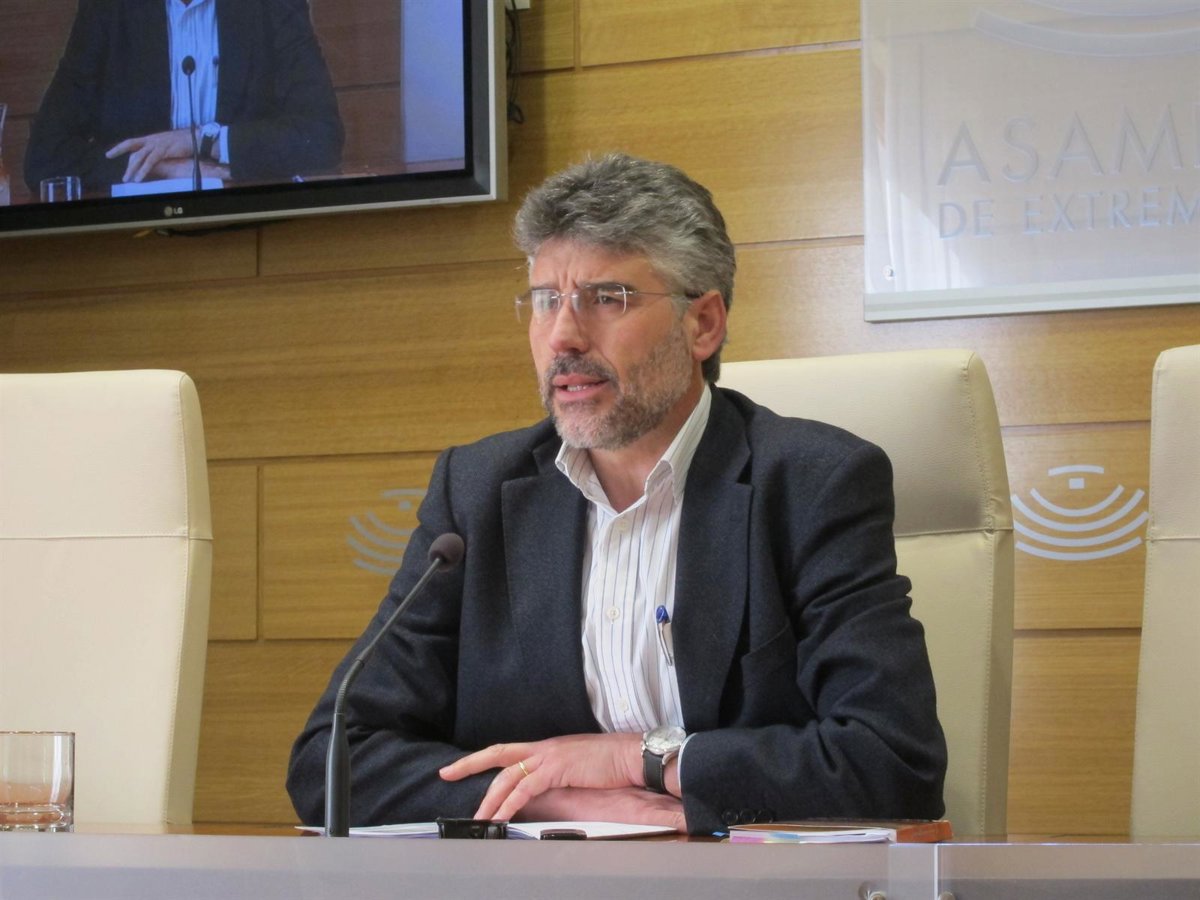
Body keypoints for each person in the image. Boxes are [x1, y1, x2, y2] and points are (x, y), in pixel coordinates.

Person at [287, 153, 947, 835]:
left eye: (607, 298)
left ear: (703, 324)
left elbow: (893, 759)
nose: (563, 336)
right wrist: (550, 795)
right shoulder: (477, 493)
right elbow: (330, 760)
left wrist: (637, 759)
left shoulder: (811, 484)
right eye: (546, 300)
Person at [24, 0, 343, 194]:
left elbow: (322, 137)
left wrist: (202, 141)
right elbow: (45, 159)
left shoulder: (270, 6)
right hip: (131, 234)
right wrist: (162, 166)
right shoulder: (108, 10)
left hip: (247, 222)